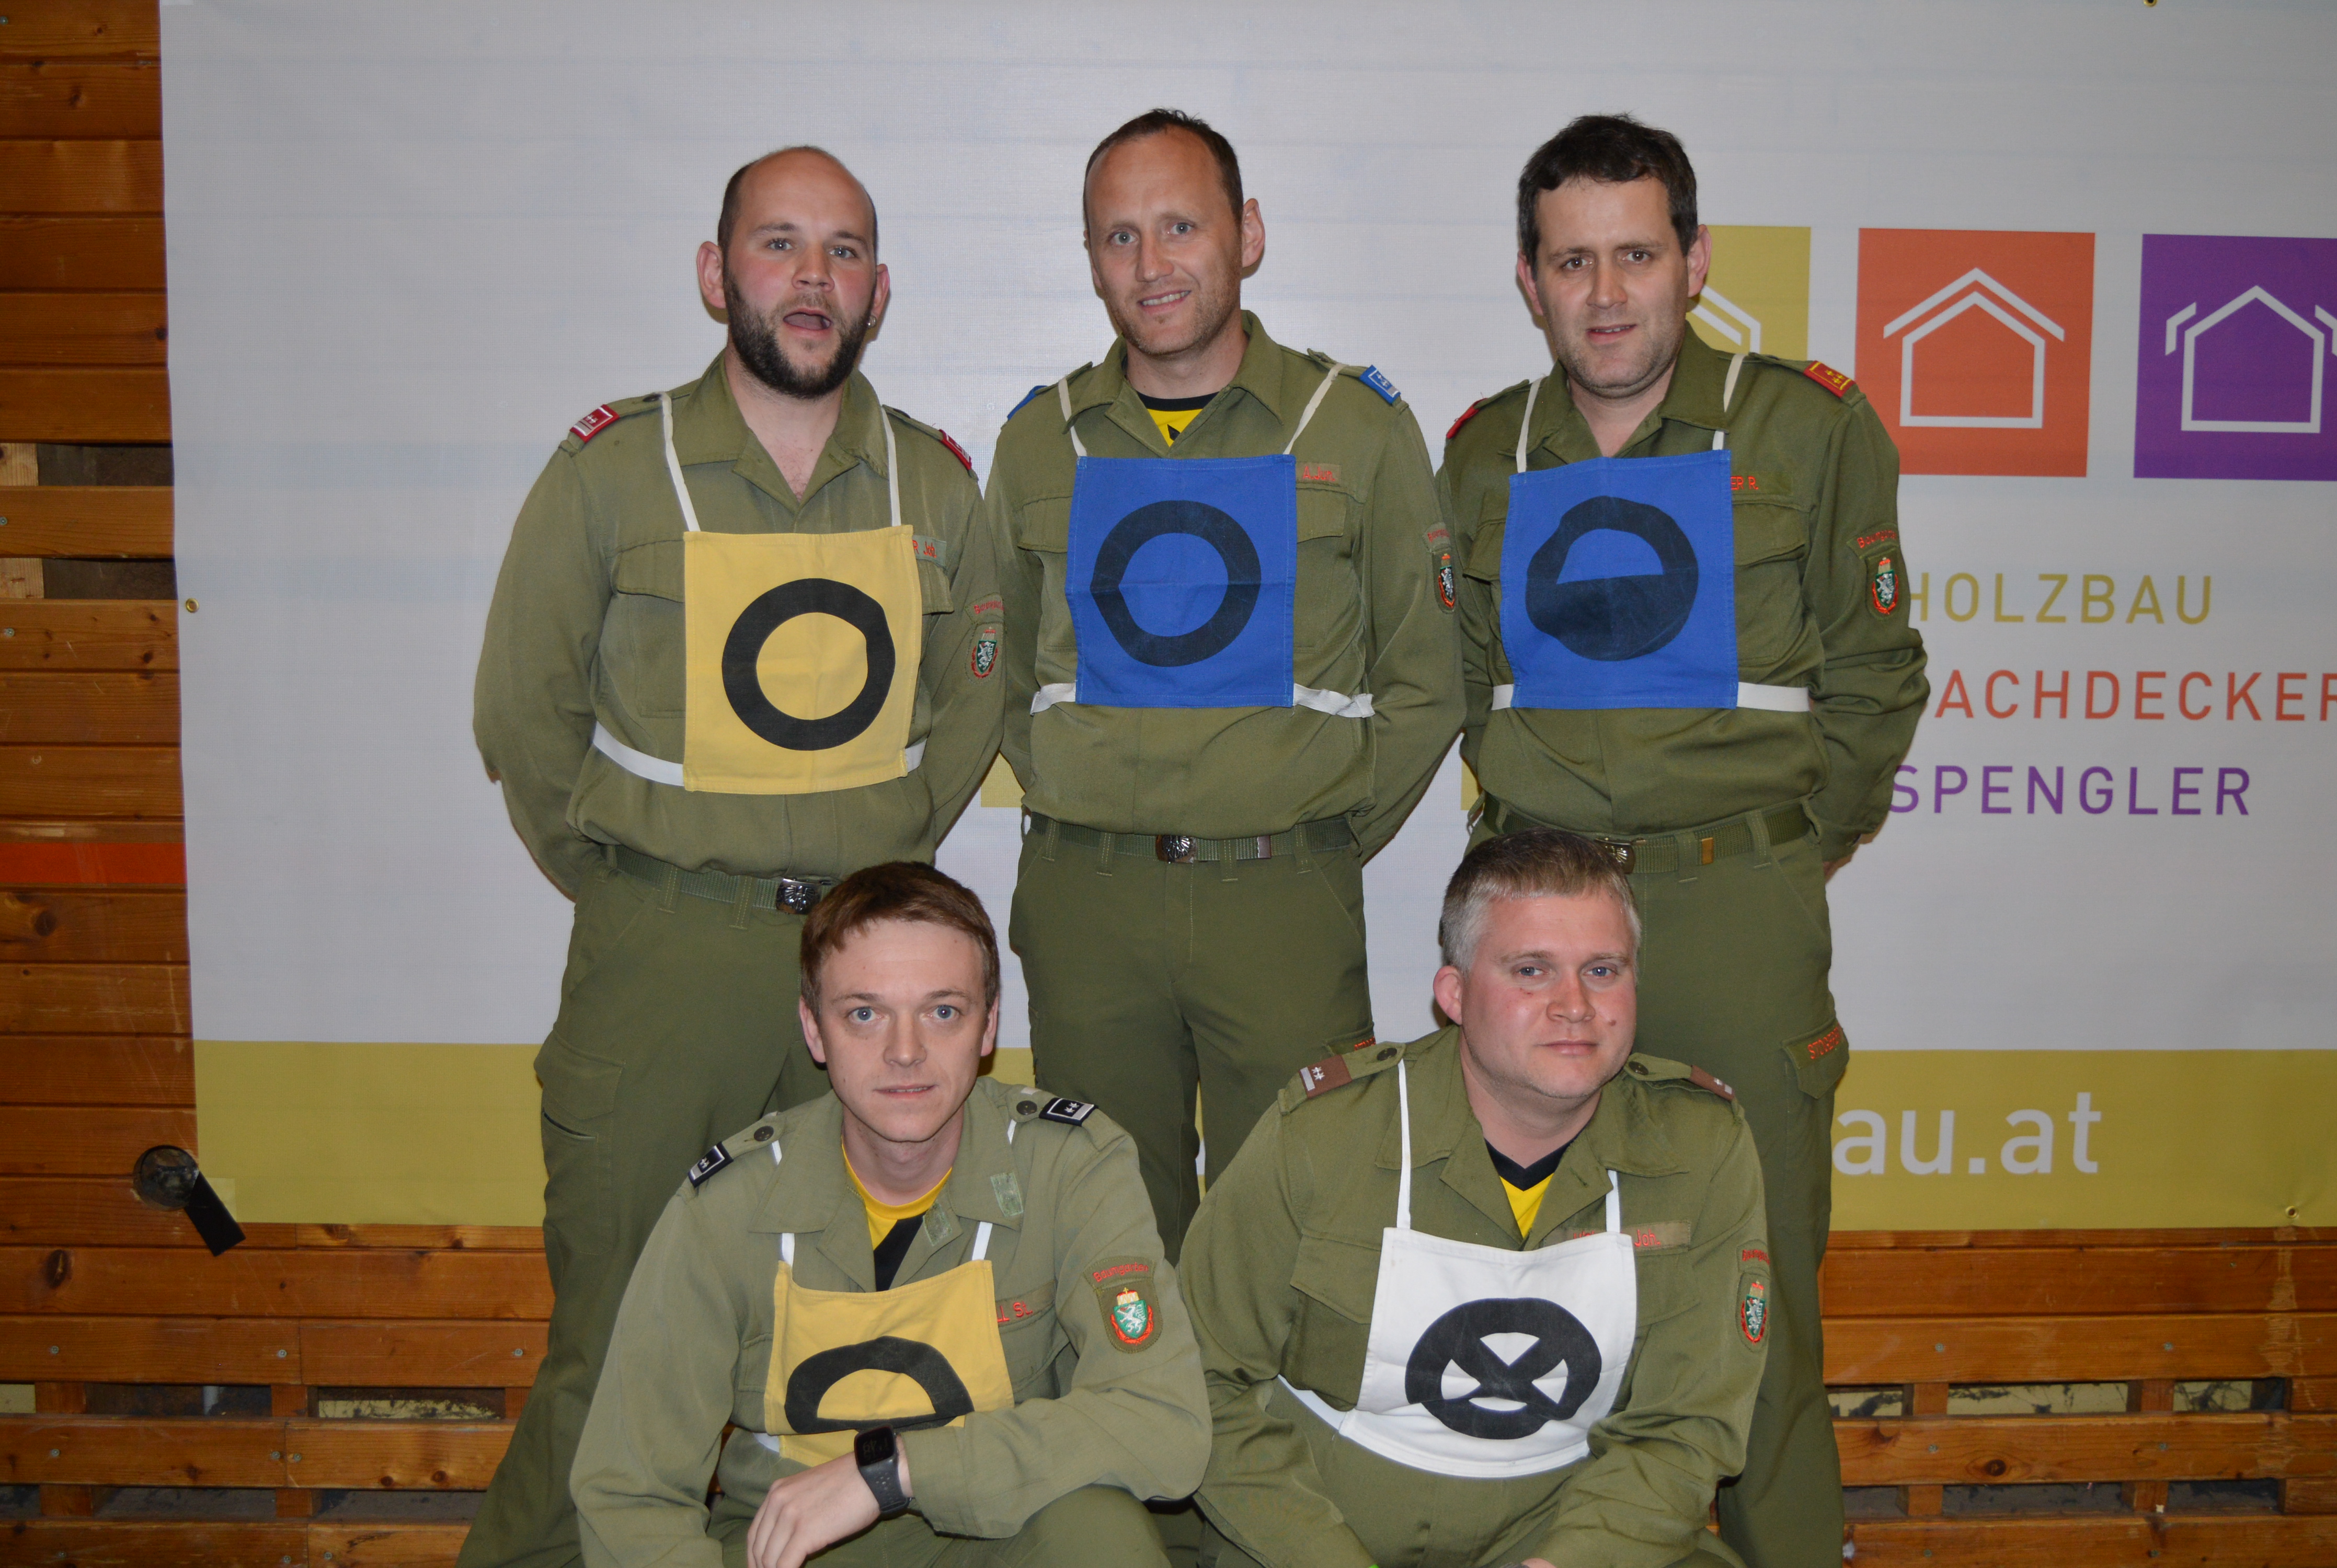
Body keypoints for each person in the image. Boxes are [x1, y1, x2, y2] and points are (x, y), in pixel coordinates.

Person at [469, 146, 1003, 1568]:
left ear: (879, 292)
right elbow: (522, 712)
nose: (812, 278)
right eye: (780, 244)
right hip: (666, 962)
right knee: (613, 1348)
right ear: (718, 275)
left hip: (867, 978)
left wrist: (875, 879)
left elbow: (971, 708)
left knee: (848, 1343)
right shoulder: (612, 469)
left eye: (843, 252)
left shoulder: (935, 486)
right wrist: (640, 886)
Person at [1438, 114, 1928, 1567]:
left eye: (1636, 256)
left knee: (1757, 1292)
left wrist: (1782, 849)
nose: (1605, 295)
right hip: (1542, 930)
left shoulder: (1805, 429)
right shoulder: (1484, 452)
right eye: (1571, 262)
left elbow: (1877, 676)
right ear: (1529, 280)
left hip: (1732, 914)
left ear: (1695, 263)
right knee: (1546, 1282)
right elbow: (1461, 684)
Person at [988, 108, 1463, 1261]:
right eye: (1119, 237)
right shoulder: (1042, 441)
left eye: (1181, 227)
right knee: (1105, 1239)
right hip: (1089, 902)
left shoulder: (1357, 427)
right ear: (1091, 259)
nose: (1151, 264)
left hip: (1282, 898)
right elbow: (994, 674)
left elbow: (1427, 680)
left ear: (1247, 234)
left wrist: (1316, 832)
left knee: (1298, 1233)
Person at [571, 862, 1211, 1568]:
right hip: (793, 1545)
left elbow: (1162, 1423)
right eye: (864, 1014)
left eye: (943, 1012)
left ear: (988, 1027)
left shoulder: (1068, 1168)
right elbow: (630, 1493)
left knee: (1099, 1533)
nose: (905, 1053)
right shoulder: (726, 1208)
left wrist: (892, 1471)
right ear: (815, 1031)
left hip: (1003, 1531)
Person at [1181, 829, 1770, 1568]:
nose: (1575, 1006)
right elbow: (1203, 1381)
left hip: (1565, 1530)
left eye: (1602, 970)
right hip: (1319, 1530)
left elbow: (1685, 1425)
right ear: (1454, 995)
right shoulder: (1323, 1137)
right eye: (1531, 971)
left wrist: (1570, 1563)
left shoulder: (1702, 1148)